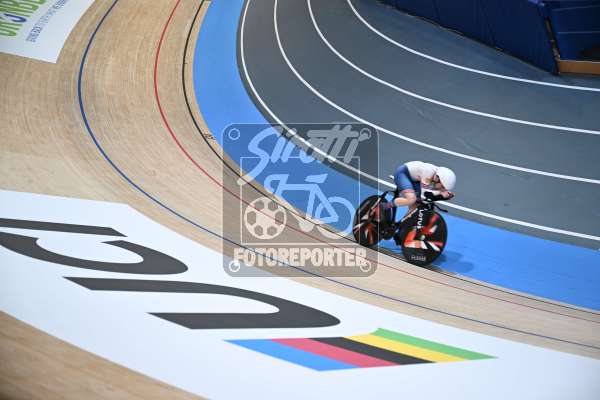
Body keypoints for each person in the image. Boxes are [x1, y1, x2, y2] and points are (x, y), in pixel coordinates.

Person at [373, 161, 456, 221]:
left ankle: (403, 226)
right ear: (438, 178)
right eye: (442, 186)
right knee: (411, 199)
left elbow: (427, 198)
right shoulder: (429, 172)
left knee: (417, 205)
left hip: (414, 179)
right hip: (403, 174)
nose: (442, 188)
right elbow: (425, 195)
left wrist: (442, 195)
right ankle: (382, 207)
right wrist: (441, 194)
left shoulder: (435, 177)